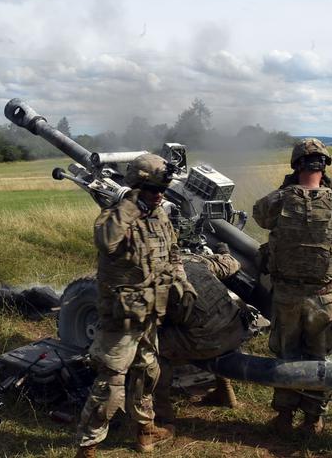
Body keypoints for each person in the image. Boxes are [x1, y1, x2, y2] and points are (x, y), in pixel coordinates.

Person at [74, 154, 196, 457]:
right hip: (121, 317)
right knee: (110, 381)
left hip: (151, 312)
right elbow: (106, 241)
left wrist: (183, 282)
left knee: (147, 373)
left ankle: (144, 430)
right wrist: (131, 204)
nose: (160, 195)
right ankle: (88, 445)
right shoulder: (115, 215)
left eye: (162, 189)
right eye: (153, 189)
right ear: (138, 185)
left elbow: (173, 253)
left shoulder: (160, 215)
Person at [252, 139, 332, 436]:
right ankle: (313, 420)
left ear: (295, 165)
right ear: (324, 166)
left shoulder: (280, 199)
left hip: (286, 294)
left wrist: (286, 188)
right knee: (318, 358)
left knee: (287, 354)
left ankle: (284, 416)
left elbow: (260, 215)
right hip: (324, 296)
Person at [153, 244, 259, 426]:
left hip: (207, 342)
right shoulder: (197, 260)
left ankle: (163, 413)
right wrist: (223, 251)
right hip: (236, 331)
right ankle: (225, 392)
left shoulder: (158, 275)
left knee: (153, 348)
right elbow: (232, 263)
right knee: (209, 322)